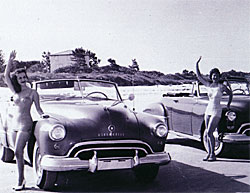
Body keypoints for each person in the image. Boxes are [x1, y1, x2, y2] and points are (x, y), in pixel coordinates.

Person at [4, 50, 48, 191]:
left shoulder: (33, 93)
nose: (22, 79)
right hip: (14, 125)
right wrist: (10, 60)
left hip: (25, 125)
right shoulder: (15, 92)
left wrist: (43, 116)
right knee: (16, 152)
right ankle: (21, 179)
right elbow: (6, 76)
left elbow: (39, 109)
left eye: (24, 77)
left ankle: (20, 180)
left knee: (18, 152)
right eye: (19, 78)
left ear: (26, 78)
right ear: (17, 79)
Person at [196, 56, 232, 161]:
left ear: (219, 76)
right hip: (208, 110)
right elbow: (199, 76)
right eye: (213, 75)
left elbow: (230, 94)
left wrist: (228, 105)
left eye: (216, 75)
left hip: (217, 110)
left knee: (210, 131)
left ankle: (212, 154)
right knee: (207, 132)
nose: (214, 77)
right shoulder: (208, 85)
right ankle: (210, 153)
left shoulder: (221, 87)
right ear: (211, 76)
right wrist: (197, 64)